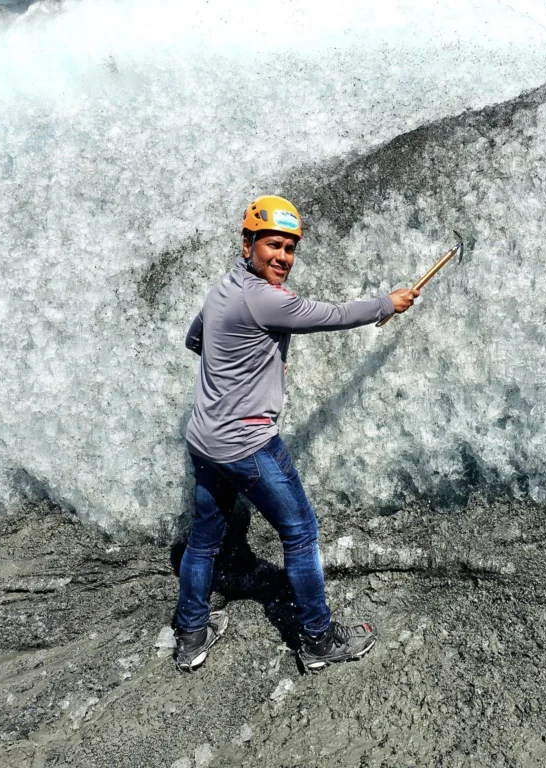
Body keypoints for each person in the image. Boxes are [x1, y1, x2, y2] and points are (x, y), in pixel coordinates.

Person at [173, 195, 419, 672]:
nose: (282, 256)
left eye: (290, 247)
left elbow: (194, 339)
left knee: (204, 539)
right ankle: (318, 638)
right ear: (247, 243)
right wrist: (386, 303)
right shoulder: (266, 298)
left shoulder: (223, 288)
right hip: (246, 445)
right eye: (272, 245)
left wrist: (240, 359)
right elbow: (329, 315)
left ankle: (191, 632)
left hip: (204, 437)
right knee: (301, 532)